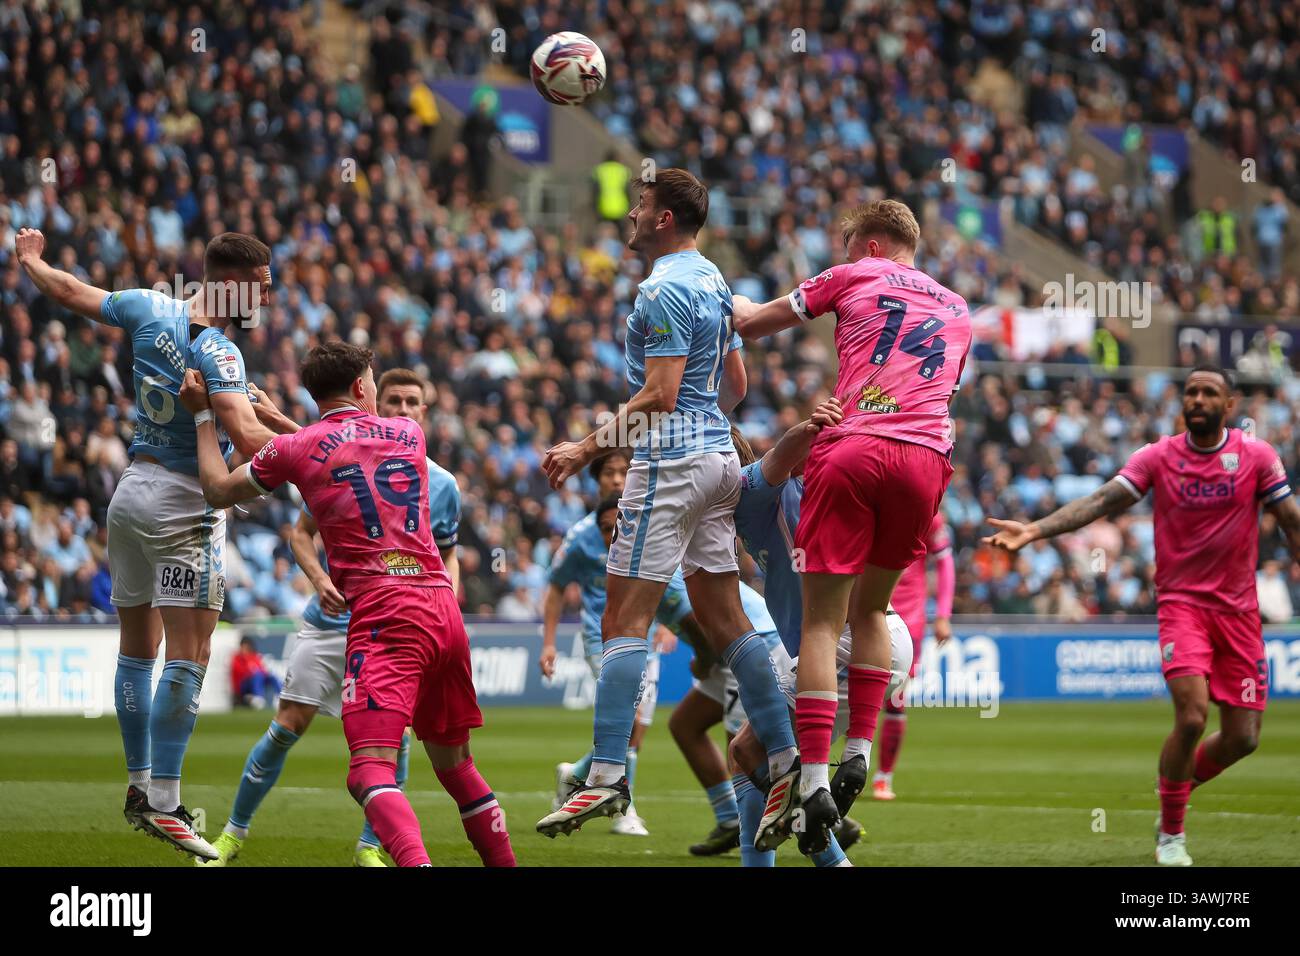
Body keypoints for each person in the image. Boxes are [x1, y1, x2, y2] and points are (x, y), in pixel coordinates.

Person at [536, 168, 800, 838]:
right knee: (723, 615)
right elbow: (733, 385)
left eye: (638, 208)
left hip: (671, 460)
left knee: (623, 615)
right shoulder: (713, 278)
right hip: (717, 458)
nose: (628, 218)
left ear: (662, 220)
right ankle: (788, 754)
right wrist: (702, 420)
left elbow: (657, 395)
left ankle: (602, 775)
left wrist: (582, 450)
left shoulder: (660, 288)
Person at [179, 342, 515, 867]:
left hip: (384, 616)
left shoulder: (301, 447)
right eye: (378, 383)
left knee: (369, 773)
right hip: (442, 609)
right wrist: (273, 420)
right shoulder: (409, 435)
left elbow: (220, 487)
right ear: (363, 387)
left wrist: (205, 414)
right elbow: (338, 446)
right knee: (456, 767)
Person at [16, 227, 292, 860]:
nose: (271, 293)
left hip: (130, 494)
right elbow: (249, 444)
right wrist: (300, 437)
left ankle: (140, 786)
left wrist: (31, 258)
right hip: (184, 506)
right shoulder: (221, 355)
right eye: (264, 282)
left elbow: (69, 290)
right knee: (190, 653)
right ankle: (166, 802)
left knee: (138, 650)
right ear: (232, 283)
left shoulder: (147, 304)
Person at [984, 365, 1300, 866]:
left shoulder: (1257, 456)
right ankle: (1172, 834)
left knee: (1244, 738)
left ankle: (1175, 784)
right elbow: (1101, 501)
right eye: (1191, 391)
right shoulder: (1159, 456)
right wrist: (1035, 530)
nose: (1197, 399)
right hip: (1182, 606)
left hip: (1239, 612)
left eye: (1209, 393)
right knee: (1192, 715)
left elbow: (1289, 520)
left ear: (1230, 405)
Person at [732, 199, 972, 853]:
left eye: (844, 245)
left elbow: (753, 322)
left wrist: (696, 289)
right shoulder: (958, 309)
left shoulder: (853, 276)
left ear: (866, 244)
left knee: (820, 620)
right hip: (927, 460)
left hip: (856, 444)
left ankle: (812, 777)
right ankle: (859, 751)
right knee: (875, 609)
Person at [723, 410, 912, 865]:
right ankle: (812, 815)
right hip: (872, 633)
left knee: (751, 751)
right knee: (754, 754)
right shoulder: (796, 495)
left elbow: (780, 458)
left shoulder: (752, 494)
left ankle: (814, 819)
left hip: (849, 641)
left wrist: (808, 429)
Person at [540, 450, 714, 837]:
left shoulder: (651, 526)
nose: (617, 481)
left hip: (646, 636)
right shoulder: (585, 535)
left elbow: (669, 580)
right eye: (610, 474)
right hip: (601, 637)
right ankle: (623, 807)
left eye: (624, 473)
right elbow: (554, 586)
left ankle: (576, 774)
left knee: (638, 727)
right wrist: (548, 642)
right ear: (598, 480)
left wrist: (672, 625)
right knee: (632, 717)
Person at [873, 512, 955, 800]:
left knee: (895, 699)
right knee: (856, 694)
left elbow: (945, 563)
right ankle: (848, 767)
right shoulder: (870, 505)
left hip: (909, 622)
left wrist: (943, 615)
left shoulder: (928, 516)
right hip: (866, 613)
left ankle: (884, 777)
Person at [230, 637, 281, 709]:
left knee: (272, 677)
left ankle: (280, 697)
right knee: (257, 675)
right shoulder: (237, 658)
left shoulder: (254, 656)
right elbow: (239, 672)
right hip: (244, 685)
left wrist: (259, 672)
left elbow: (262, 670)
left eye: (247, 646)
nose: (245, 649)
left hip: (257, 680)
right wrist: (251, 670)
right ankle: (259, 698)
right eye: (244, 646)